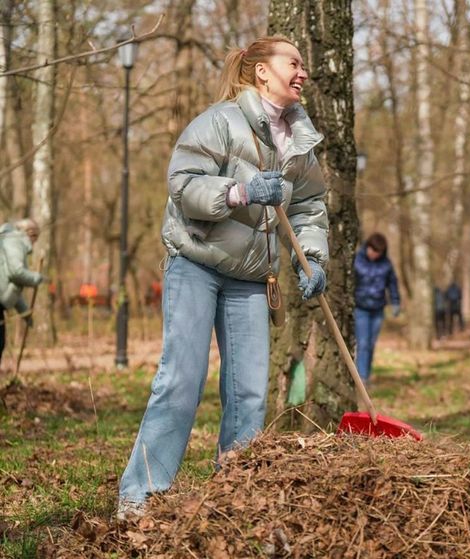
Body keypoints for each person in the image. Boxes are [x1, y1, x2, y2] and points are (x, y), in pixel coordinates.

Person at [118, 36, 329, 518]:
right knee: (181, 380)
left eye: (303, 65)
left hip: (252, 278)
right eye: (293, 63)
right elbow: (183, 184)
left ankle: (234, 500)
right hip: (196, 262)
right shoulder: (219, 121)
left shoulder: (300, 143)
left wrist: (312, 258)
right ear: (261, 72)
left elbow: (310, 207)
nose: (302, 72)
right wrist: (241, 191)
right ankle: (140, 497)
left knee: (250, 394)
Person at [353, 232, 400, 384]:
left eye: (378, 252)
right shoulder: (357, 260)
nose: (374, 254)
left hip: (378, 309)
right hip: (360, 308)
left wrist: (395, 302)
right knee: (363, 343)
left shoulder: (386, 264)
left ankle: (366, 373)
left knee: (371, 344)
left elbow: (392, 284)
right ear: (368, 247)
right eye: (372, 250)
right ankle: (362, 378)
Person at [0, 219, 44, 365]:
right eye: (35, 238)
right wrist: (35, 278)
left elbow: (11, 286)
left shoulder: (9, 241)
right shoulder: (14, 241)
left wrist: (24, 311)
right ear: (29, 234)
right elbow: (16, 272)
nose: (34, 243)